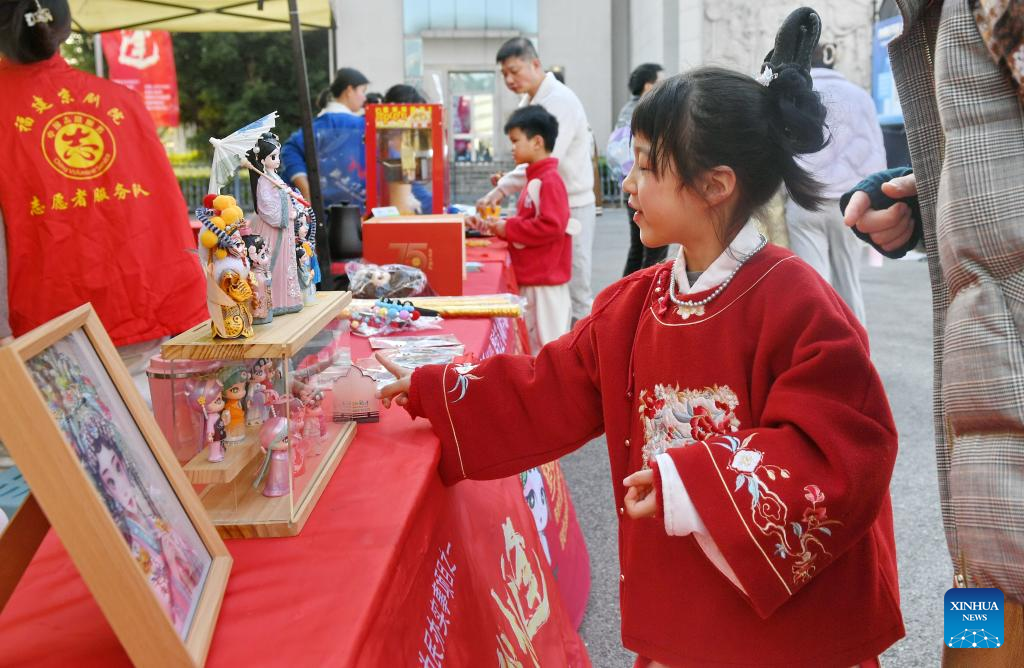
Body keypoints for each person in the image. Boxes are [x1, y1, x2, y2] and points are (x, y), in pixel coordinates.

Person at [378, 10, 904, 666]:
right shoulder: (633, 306)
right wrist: (437, 391)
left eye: (648, 168)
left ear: (714, 186)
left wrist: (695, 482)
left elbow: (845, 446)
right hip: (688, 606)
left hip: (785, 628)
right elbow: (549, 386)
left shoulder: (797, 303)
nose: (627, 183)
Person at [841, 0, 1024, 660]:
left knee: (987, 627)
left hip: (1005, 472)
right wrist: (935, 205)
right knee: (974, 602)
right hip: (983, 477)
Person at [0, 0, 205, 357]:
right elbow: (164, 213)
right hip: (143, 317)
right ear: (64, 28)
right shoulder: (124, 102)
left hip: (41, 338)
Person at [478, 38, 596, 323]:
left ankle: (587, 360)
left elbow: (544, 158)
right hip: (553, 203)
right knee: (557, 296)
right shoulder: (532, 100)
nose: (509, 79)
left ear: (535, 64)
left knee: (576, 291)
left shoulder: (559, 100)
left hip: (571, 204)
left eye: (514, 71)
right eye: (504, 74)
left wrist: (502, 188)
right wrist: (508, 181)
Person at [784, 43, 885, 323]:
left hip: (805, 202)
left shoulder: (795, 99)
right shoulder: (861, 97)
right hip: (849, 204)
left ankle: (818, 355)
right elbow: (875, 153)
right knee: (848, 284)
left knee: (814, 286)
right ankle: (858, 354)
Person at [475, 105, 573, 353]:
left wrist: (508, 227)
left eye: (516, 141)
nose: (512, 147)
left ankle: (555, 391)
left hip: (545, 280)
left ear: (537, 141)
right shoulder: (536, 178)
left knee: (549, 345)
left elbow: (552, 225)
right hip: (535, 275)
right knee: (536, 343)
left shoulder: (549, 180)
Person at [280, 66, 369, 210]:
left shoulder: (318, 125)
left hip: (322, 212)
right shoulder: (360, 125)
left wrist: (307, 191)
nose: (364, 98)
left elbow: (289, 150)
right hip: (358, 209)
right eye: (362, 91)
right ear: (349, 90)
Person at [609, 63, 667, 276]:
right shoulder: (648, 111)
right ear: (648, 86)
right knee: (654, 251)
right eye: (662, 81)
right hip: (647, 185)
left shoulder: (627, 110)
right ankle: (645, 299)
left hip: (631, 185)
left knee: (637, 248)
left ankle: (624, 297)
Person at [382, 84, 433, 214]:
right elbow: (401, 205)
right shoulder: (390, 154)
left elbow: (419, 194)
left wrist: (452, 212)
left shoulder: (404, 152)